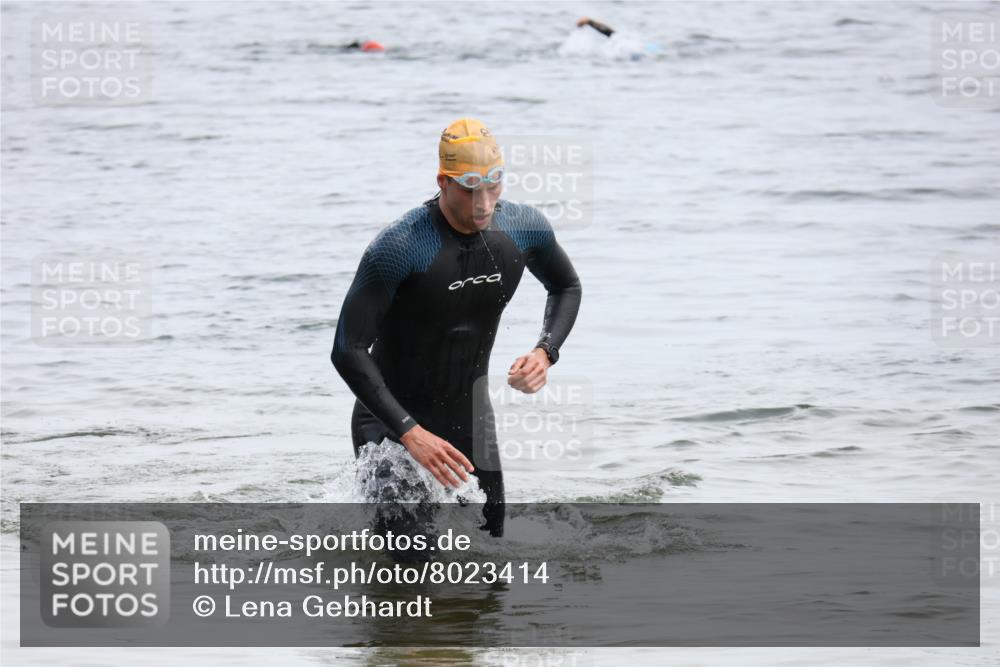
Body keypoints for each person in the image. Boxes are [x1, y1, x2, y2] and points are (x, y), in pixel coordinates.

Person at [331, 118, 582, 538]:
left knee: (489, 557)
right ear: (443, 182)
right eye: (469, 189)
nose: (483, 203)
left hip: (470, 423)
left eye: (493, 185)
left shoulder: (523, 228)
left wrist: (545, 352)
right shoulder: (400, 247)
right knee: (413, 563)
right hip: (391, 428)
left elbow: (566, 286)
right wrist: (410, 433)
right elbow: (347, 348)